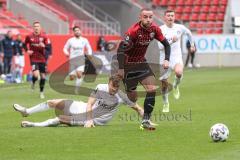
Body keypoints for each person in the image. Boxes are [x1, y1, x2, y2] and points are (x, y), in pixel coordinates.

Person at [13, 75, 156, 128]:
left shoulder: (122, 96)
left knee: (60, 119)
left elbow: (138, 109)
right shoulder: (100, 87)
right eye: (113, 87)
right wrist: (88, 120)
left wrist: (146, 120)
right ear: (108, 83)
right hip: (85, 110)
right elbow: (89, 104)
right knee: (53, 102)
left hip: (95, 119)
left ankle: (33, 125)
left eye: (117, 87)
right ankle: (26, 112)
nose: (114, 90)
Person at [117, 8, 170, 130]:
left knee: (152, 89)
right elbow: (120, 49)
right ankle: (120, 96)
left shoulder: (155, 30)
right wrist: (121, 69)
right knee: (132, 98)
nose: (148, 19)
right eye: (145, 17)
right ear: (140, 17)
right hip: (128, 65)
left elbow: (166, 44)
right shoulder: (133, 31)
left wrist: (166, 59)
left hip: (141, 63)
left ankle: (145, 120)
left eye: (150, 17)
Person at [158, 10, 195, 112]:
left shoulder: (180, 27)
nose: (170, 17)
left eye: (172, 15)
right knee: (164, 85)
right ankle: (166, 103)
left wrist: (192, 45)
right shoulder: (160, 30)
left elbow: (189, 33)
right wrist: (170, 41)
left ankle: (175, 85)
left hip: (176, 56)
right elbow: (160, 47)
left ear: (174, 17)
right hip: (164, 58)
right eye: (168, 15)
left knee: (179, 72)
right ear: (164, 17)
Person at [63, 26, 93, 94]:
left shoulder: (84, 40)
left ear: (80, 31)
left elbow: (89, 48)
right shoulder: (70, 40)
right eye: (75, 30)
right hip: (72, 60)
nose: (77, 31)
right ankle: (72, 75)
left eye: (78, 30)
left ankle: (76, 90)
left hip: (80, 60)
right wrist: (67, 53)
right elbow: (65, 48)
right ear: (73, 32)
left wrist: (90, 54)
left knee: (79, 74)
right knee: (72, 78)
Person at [25, 21, 50, 99]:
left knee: (43, 77)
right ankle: (33, 82)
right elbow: (24, 44)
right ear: (33, 28)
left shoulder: (44, 37)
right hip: (33, 58)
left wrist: (44, 46)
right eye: (35, 26)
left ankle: (41, 92)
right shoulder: (29, 36)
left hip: (42, 59)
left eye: (38, 26)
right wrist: (27, 50)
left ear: (40, 28)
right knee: (36, 75)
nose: (36, 27)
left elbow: (48, 47)